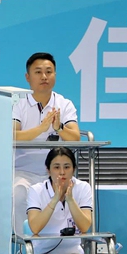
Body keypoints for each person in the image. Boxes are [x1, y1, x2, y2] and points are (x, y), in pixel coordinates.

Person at [13, 53, 79, 229]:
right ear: (28, 77)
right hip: (23, 172)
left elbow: (75, 137)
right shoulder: (18, 104)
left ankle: (65, 245)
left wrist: (59, 129)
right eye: (38, 72)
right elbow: (11, 135)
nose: (44, 76)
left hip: (57, 172)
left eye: (49, 72)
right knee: (17, 194)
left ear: (55, 75)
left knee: (77, 193)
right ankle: (24, 248)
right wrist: (41, 129)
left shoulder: (64, 104)